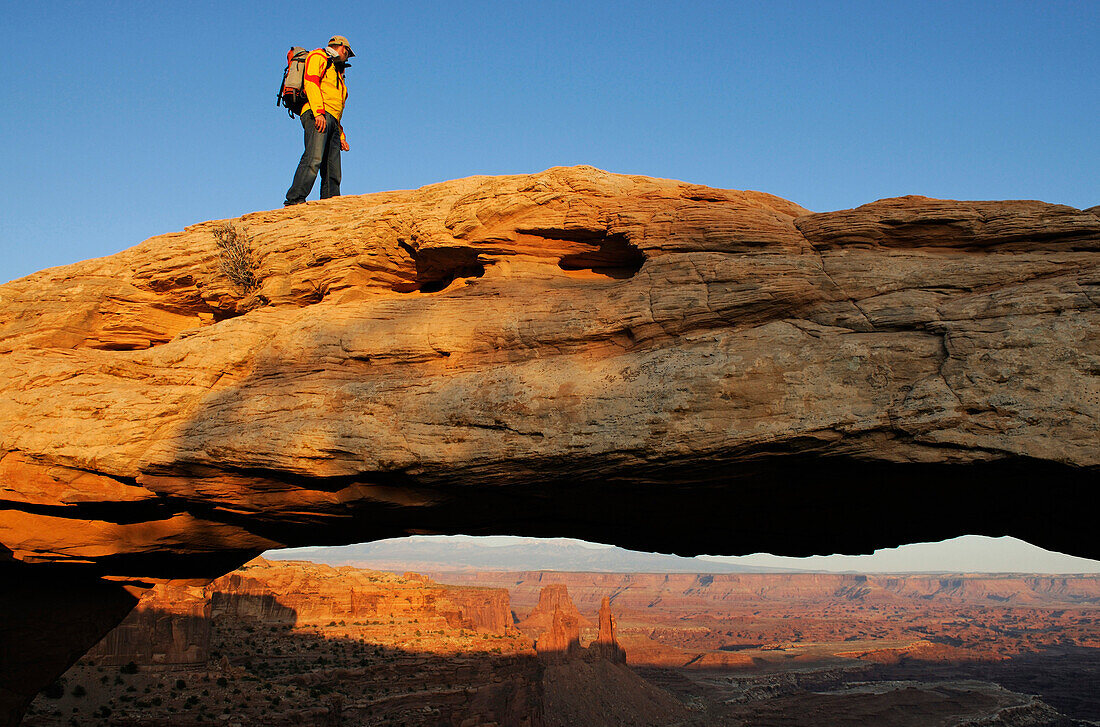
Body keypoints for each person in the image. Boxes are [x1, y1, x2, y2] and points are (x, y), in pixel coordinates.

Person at [284, 35, 354, 206]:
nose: (347, 56)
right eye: (348, 52)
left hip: (331, 120)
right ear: (343, 48)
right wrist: (318, 113)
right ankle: (294, 200)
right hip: (316, 114)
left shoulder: (337, 73)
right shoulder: (318, 56)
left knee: (333, 167)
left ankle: (330, 203)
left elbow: (337, 109)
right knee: (313, 158)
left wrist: (341, 136)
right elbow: (311, 82)